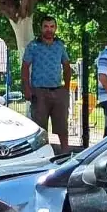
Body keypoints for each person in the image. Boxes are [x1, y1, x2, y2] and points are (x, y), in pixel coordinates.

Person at [21, 17, 72, 154]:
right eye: (46, 26)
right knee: (40, 126)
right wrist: (27, 88)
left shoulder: (60, 46)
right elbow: (25, 67)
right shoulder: (33, 46)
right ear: (41, 28)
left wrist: (66, 88)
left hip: (58, 91)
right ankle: (43, 154)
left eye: (52, 26)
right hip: (39, 92)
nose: (49, 29)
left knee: (62, 125)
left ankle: (66, 153)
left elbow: (66, 66)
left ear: (55, 28)